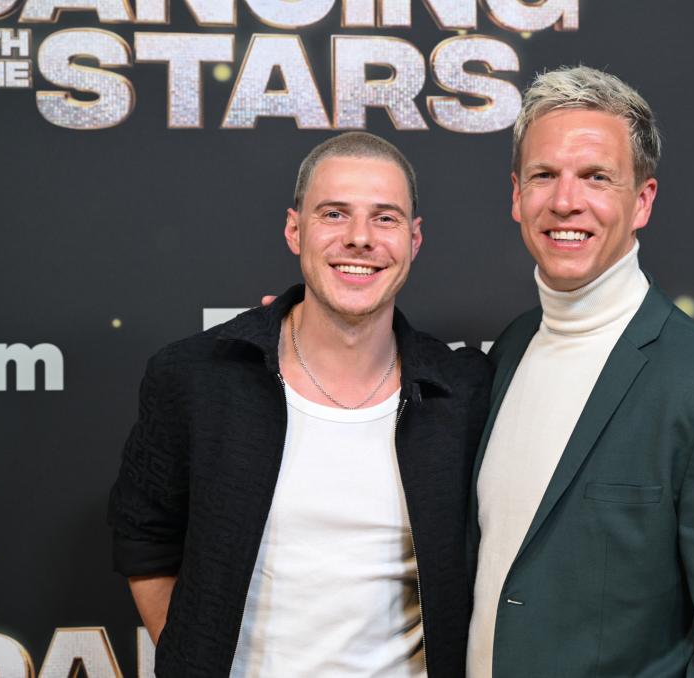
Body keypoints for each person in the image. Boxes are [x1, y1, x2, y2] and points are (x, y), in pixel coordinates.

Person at [107, 132, 491, 677]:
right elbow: (144, 540)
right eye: (334, 214)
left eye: (385, 218)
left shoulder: (464, 392)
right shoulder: (196, 377)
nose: (360, 238)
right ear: (295, 230)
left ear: (414, 239)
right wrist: (196, 659)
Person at [465, 66, 694, 677]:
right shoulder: (510, 351)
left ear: (642, 200)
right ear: (516, 195)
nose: (565, 201)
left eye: (596, 177)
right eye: (544, 175)